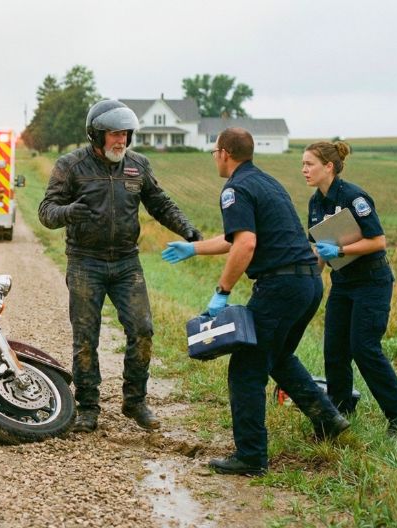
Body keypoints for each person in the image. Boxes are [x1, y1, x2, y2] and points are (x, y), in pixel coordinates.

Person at [161, 127, 349, 476]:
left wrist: (221, 292)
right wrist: (194, 248)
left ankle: (251, 457)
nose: (215, 158)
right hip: (307, 283)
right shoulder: (266, 181)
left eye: (215, 152)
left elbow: (245, 245)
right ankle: (328, 419)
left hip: (281, 287)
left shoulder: (235, 189)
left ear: (224, 153)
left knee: (246, 368)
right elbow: (239, 238)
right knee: (277, 357)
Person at [39, 99, 202, 433]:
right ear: (96, 135)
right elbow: (46, 211)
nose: (121, 141)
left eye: (126, 134)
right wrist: (69, 212)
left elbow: (161, 203)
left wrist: (188, 230)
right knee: (86, 337)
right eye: (114, 134)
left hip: (127, 263)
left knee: (142, 330)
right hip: (85, 262)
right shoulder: (71, 166)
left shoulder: (137, 166)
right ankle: (88, 406)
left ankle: (135, 401)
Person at [303, 141, 397, 436]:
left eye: (309, 164)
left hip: (372, 282)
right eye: (302, 164)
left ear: (328, 166)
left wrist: (339, 250)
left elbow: (378, 241)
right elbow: (319, 253)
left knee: (364, 348)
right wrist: (308, 272)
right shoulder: (315, 203)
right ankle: (339, 415)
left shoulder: (354, 197)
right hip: (342, 284)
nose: (303, 170)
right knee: (335, 351)